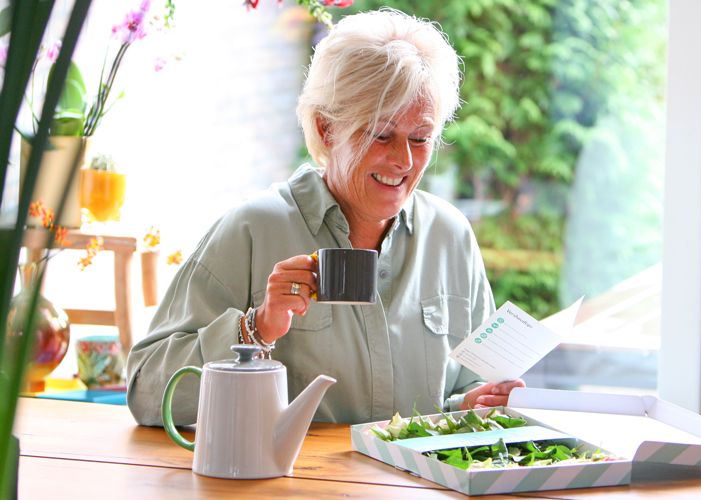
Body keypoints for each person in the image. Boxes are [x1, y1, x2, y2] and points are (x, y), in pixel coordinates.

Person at [126, 8, 525, 427]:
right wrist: (255, 328)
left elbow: (461, 393)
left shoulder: (450, 236)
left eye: (421, 138)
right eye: (381, 134)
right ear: (326, 127)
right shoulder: (254, 229)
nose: (404, 160)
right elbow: (147, 391)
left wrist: (470, 406)